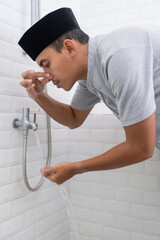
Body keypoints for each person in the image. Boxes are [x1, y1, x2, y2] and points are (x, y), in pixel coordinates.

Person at [19, 7, 160, 185]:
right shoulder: (90, 76)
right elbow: (73, 118)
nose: (46, 75)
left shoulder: (117, 55)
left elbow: (141, 148)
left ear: (69, 48)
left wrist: (75, 168)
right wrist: (37, 95)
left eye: (46, 64)